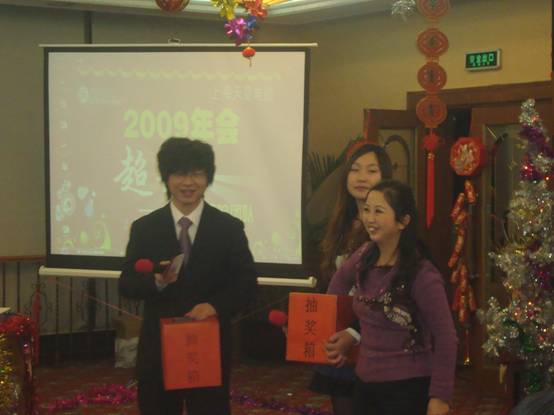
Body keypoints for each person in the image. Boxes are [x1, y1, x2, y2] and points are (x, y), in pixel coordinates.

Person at [119, 137, 257, 415]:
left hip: (207, 345)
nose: (188, 183)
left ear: (208, 178)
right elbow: (127, 284)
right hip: (158, 348)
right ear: (166, 177)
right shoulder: (145, 228)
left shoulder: (228, 228)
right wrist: (155, 282)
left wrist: (215, 306)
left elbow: (247, 285)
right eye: (180, 174)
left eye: (196, 174)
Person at [326, 180, 457, 415]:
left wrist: (440, 396)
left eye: (379, 211)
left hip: (408, 387)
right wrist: (339, 333)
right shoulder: (363, 256)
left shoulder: (422, 273)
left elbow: (446, 337)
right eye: (367, 210)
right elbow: (336, 287)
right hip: (364, 383)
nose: (369, 218)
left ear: (403, 221)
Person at [309, 142, 393, 415]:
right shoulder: (338, 225)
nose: (361, 177)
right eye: (355, 169)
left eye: (371, 170)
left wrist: (355, 332)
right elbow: (329, 283)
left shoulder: (390, 228)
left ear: (385, 178)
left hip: (377, 337)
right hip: (340, 334)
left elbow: (388, 290)